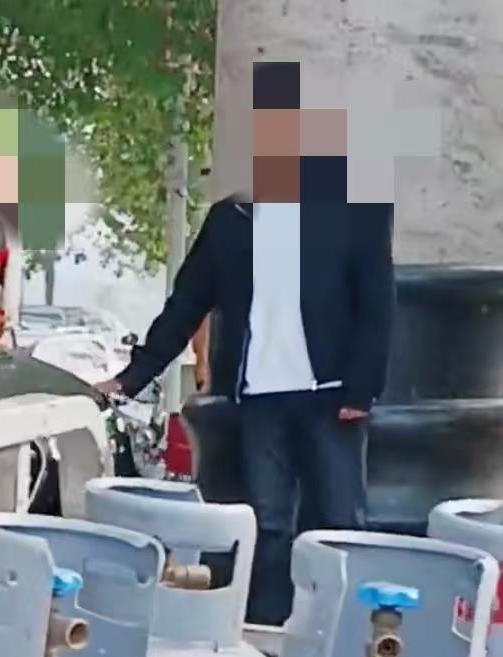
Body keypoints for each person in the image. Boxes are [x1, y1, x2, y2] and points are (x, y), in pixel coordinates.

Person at [99, 62, 395, 625]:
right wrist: (129, 380)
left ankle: (341, 641)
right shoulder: (231, 220)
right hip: (260, 398)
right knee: (267, 524)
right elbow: (186, 305)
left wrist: (363, 386)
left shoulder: (355, 210)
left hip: (333, 394)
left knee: (338, 525)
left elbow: (377, 301)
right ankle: (264, 636)